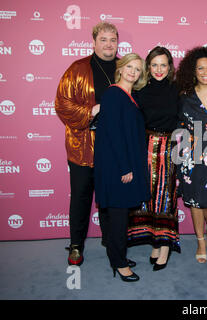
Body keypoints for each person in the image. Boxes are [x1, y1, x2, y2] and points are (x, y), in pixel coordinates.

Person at [55, 22, 119, 266]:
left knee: (111, 198)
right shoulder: (78, 68)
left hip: (113, 148)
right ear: (94, 42)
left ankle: (111, 241)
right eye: (103, 39)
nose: (108, 44)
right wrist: (91, 111)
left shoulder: (125, 68)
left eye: (112, 39)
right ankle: (75, 245)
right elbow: (62, 103)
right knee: (81, 197)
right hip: (83, 146)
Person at [94, 53, 149, 282]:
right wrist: (125, 168)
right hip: (118, 165)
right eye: (130, 67)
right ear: (121, 68)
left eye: (137, 69)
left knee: (120, 214)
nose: (133, 72)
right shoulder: (114, 94)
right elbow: (114, 135)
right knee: (118, 216)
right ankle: (118, 262)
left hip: (125, 161)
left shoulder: (130, 94)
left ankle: (117, 255)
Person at [127, 46, 180, 271]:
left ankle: (165, 245)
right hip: (145, 149)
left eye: (163, 65)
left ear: (170, 68)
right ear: (149, 67)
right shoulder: (140, 91)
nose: (159, 69)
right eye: (154, 64)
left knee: (165, 198)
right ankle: (155, 243)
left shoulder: (178, 90)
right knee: (148, 198)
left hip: (169, 149)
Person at [175, 46, 207, 263]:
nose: (205, 72)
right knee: (195, 201)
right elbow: (176, 123)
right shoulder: (184, 95)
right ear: (193, 71)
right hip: (190, 154)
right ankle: (199, 240)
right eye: (200, 68)